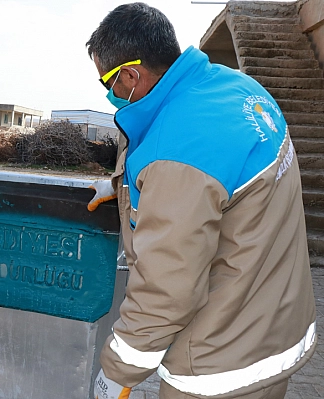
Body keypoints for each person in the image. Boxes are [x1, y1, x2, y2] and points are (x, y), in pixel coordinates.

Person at [85, 3, 316, 399]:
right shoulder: (238, 90)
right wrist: (120, 186)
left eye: (108, 83)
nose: (110, 94)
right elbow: (225, 185)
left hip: (220, 365)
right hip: (275, 327)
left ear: (130, 75)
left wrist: (118, 371)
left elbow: (167, 288)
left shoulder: (177, 153)